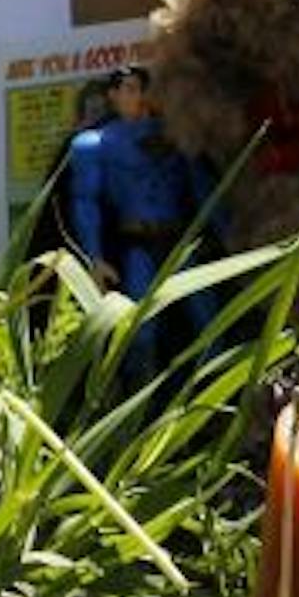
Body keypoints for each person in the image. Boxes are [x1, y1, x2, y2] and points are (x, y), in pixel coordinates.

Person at [66, 66, 218, 374]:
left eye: (142, 89)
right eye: (130, 89)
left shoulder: (174, 133)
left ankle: (221, 386)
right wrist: (95, 258)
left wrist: (225, 233)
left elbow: (202, 187)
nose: (138, 97)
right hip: (137, 245)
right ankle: (140, 404)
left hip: (179, 241)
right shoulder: (96, 144)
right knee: (140, 327)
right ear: (113, 95)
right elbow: (85, 203)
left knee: (207, 317)